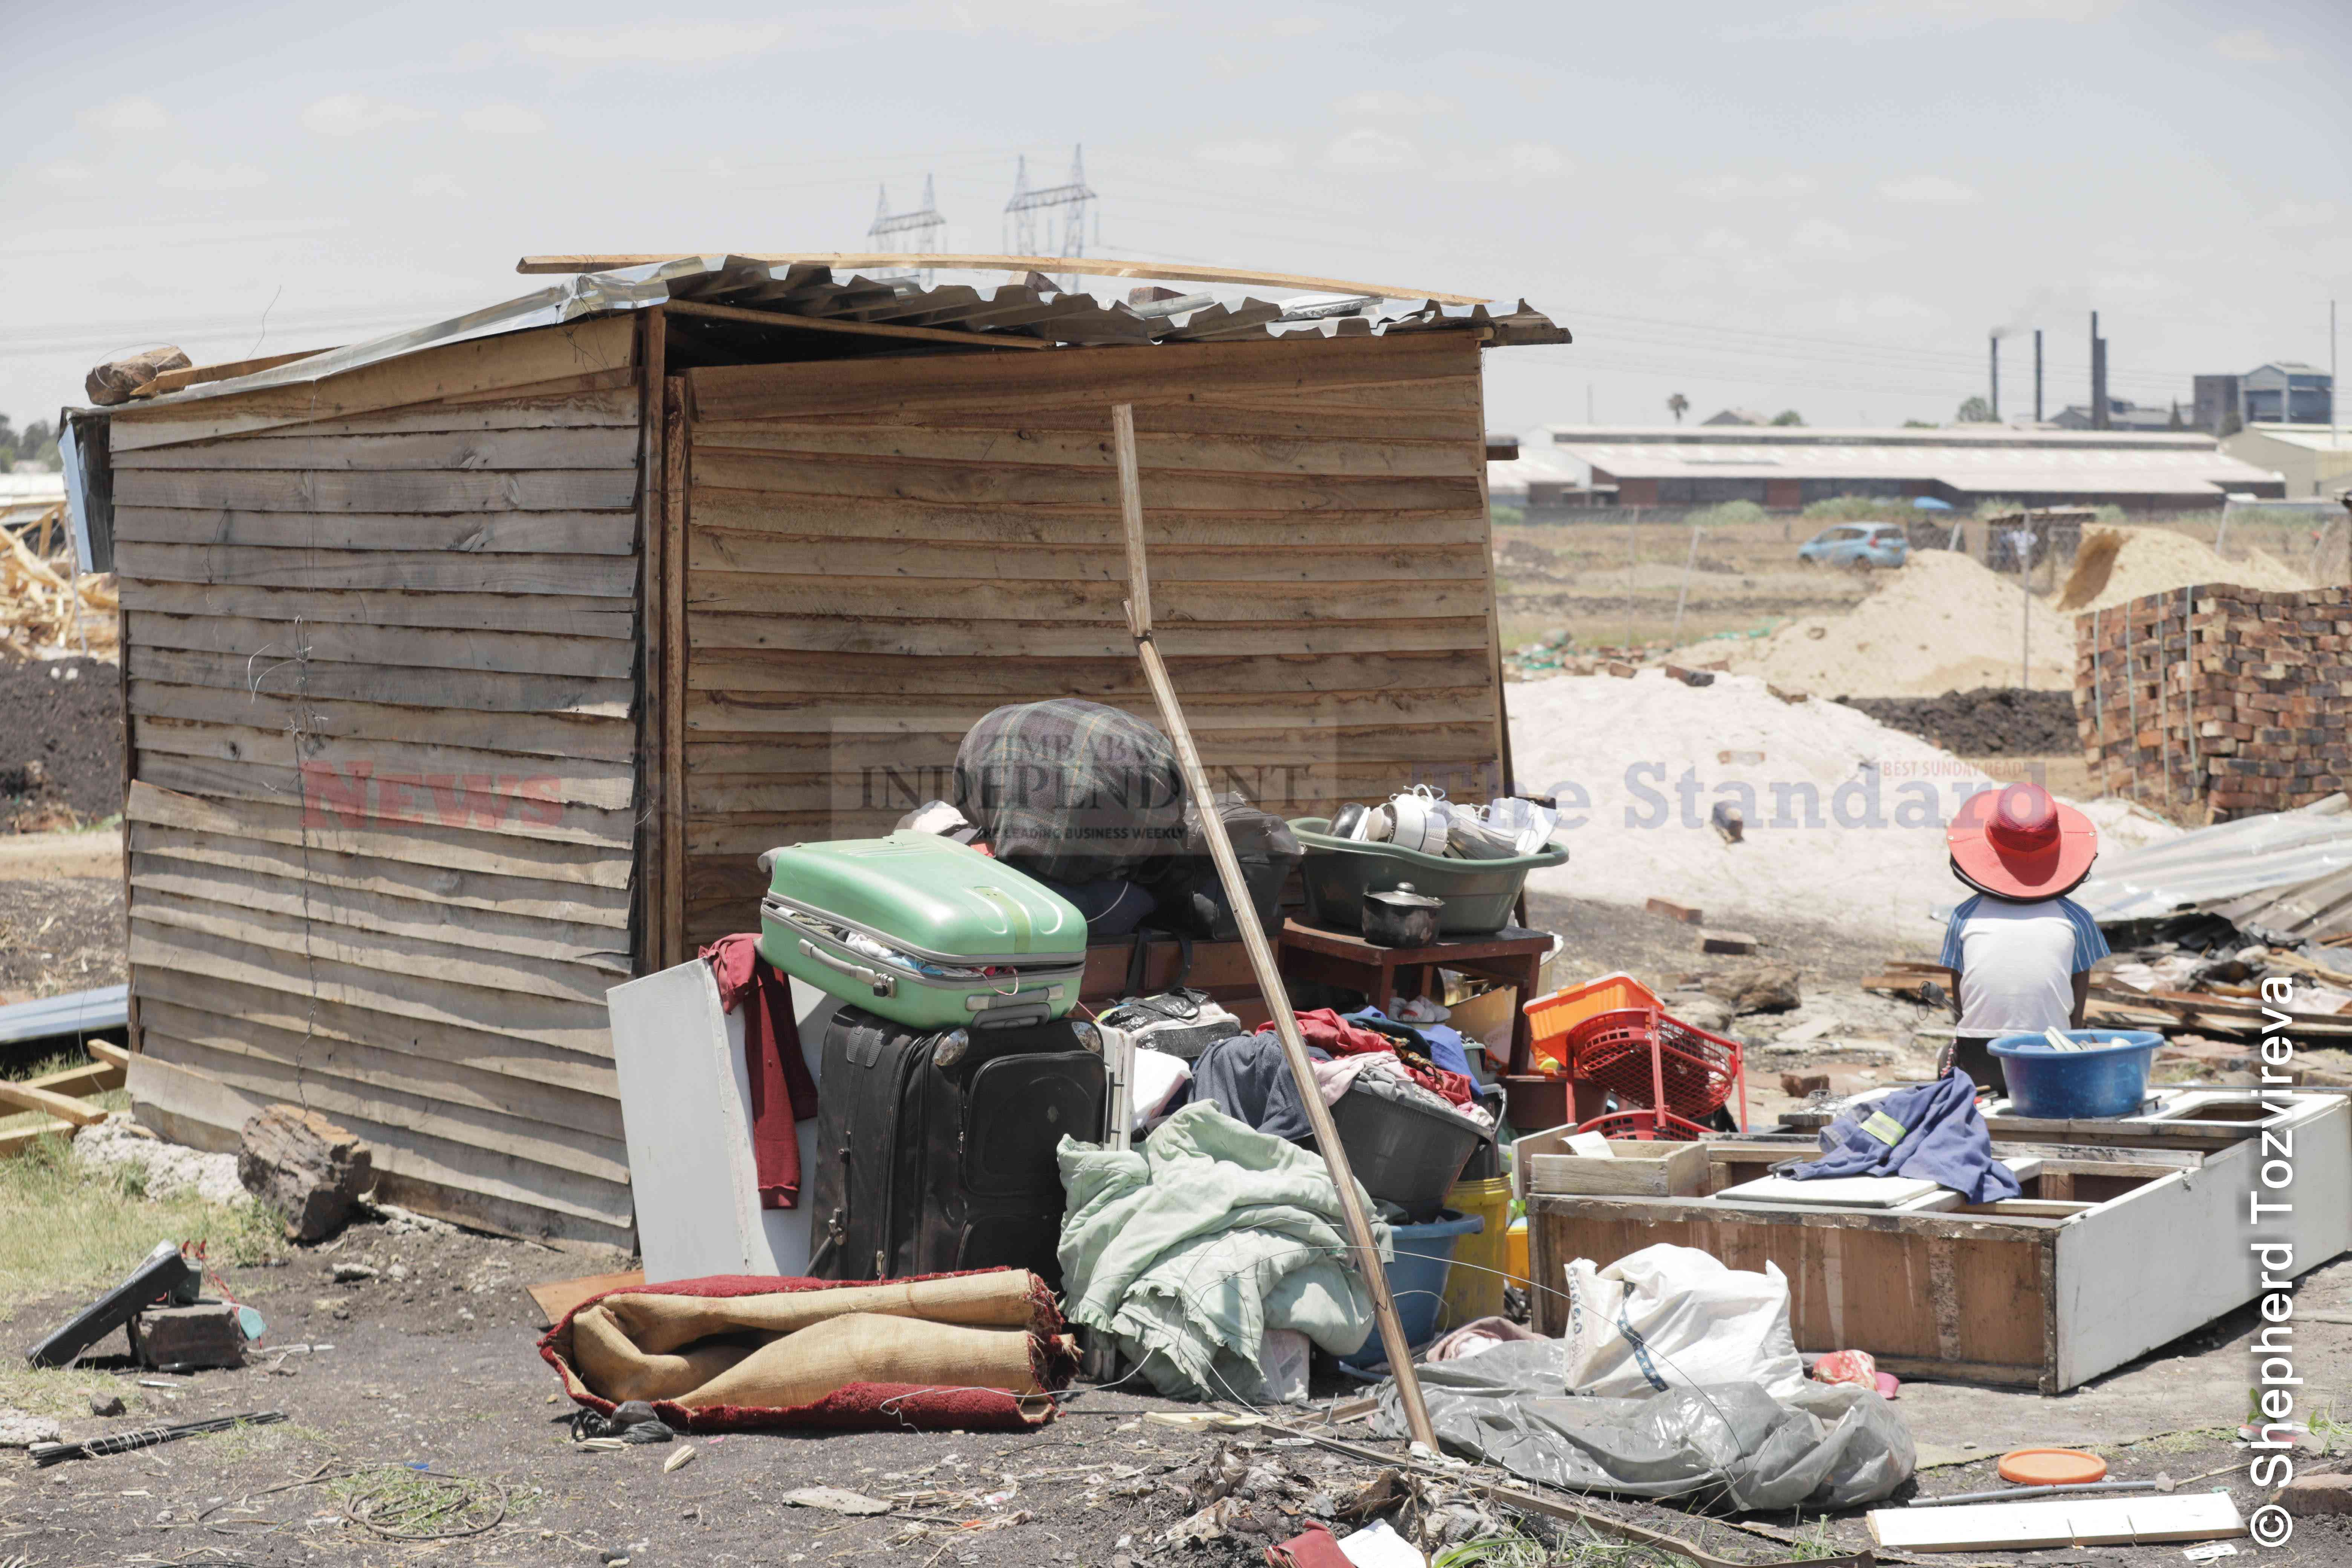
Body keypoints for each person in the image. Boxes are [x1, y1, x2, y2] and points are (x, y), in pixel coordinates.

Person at [1937, 781, 2107, 1095]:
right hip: (2050, 1056)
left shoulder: (1963, 917)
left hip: (1980, 1060)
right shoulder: (2075, 919)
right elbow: (2079, 986)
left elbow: (1962, 1003)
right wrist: (2074, 1035)